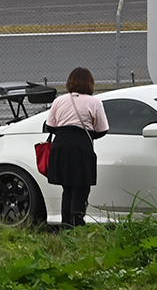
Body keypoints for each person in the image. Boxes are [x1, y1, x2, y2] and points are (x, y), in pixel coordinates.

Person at [43, 67, 109, 227]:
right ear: (90, 83)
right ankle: (77, 223)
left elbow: (50, 126)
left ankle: (66, 224)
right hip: (81, 147)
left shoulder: (59, 101)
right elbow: (103, 129)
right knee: (81, 189)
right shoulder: (94, 102)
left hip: (61, 147)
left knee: (67, 189)